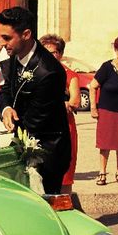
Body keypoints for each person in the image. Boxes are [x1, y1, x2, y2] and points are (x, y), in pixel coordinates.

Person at [0, 6, 70, 194]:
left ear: (26, 34)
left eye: (6, 37)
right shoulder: (14, 55)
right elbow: (5, 89)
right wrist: (5, 109)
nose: (1, 43)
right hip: (24, 143)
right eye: (1, 36)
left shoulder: (50, 72)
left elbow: (35, 122)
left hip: (46, 155)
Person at [89, 36, 118, 186]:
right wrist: (93, 107)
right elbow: (93, 86)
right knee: (105, 144)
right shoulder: (107, 67)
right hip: (107, 111)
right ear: (116, 50)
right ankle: (102, 173)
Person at [40, 33, 80, 194]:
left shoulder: (70, 75)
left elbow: (75, 101)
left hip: (64, 128)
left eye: (53, 52)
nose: (48, 56)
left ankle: (65, 208)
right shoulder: (37, 73)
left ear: (60, 54)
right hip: (42, 128)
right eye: (45, 52)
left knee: (65, 173)